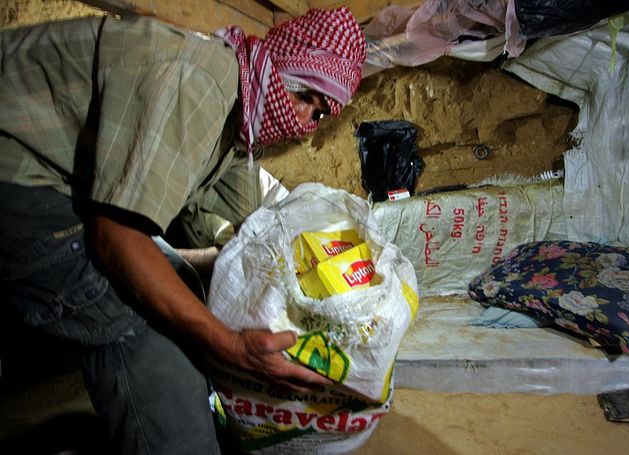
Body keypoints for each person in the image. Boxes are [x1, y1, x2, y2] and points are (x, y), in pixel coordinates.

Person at [0, 6, 366, 454]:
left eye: (320, 113)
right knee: (145, 324)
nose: (305, 120)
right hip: (17, 171)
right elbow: (115, 238)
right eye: (303, 93)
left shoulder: (243, 116)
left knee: (184, 280)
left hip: (58, 181)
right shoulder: (200, 84)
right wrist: (229, 345)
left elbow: (262, 223)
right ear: (278, 62)